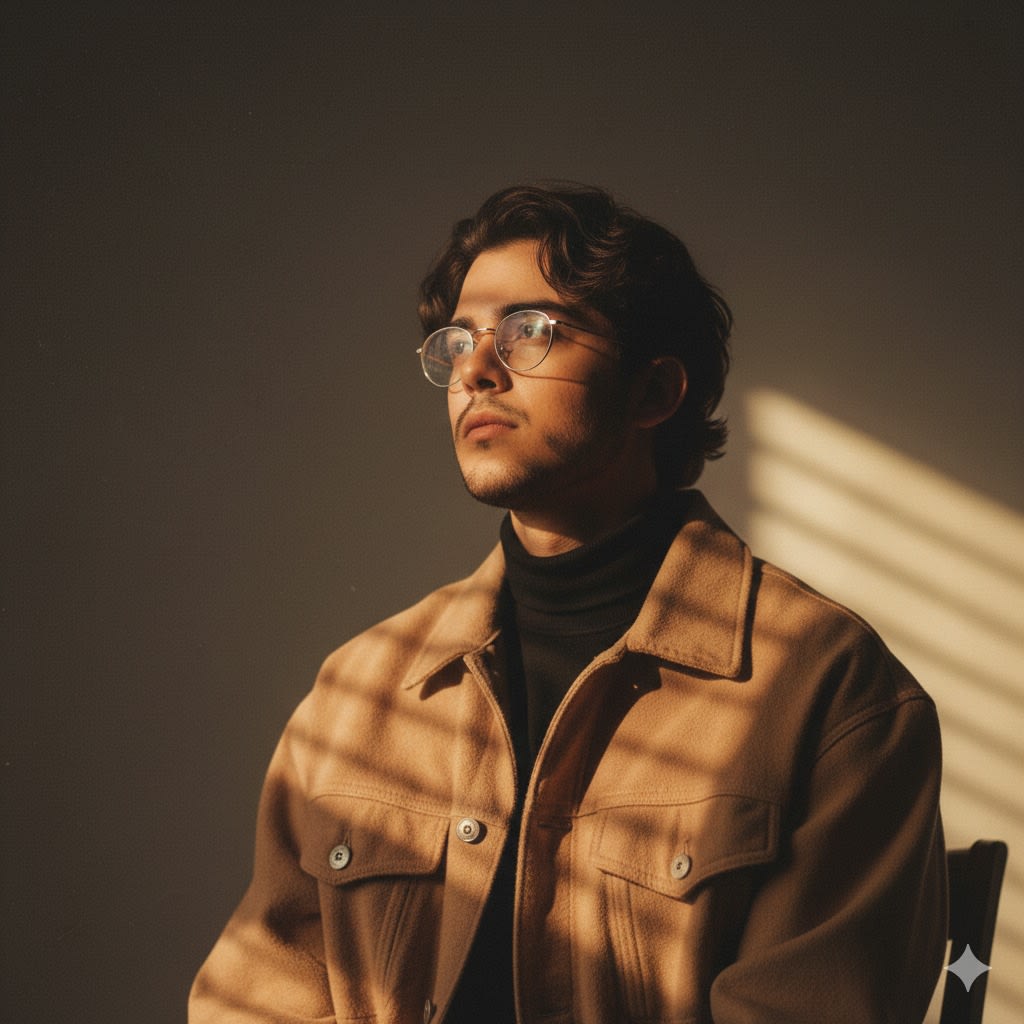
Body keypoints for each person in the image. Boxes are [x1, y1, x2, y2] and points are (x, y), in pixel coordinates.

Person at [189, 184, 947, 1023]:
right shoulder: (359, 693)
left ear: (654, 393)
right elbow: (259, 996)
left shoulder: (829, 691)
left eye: (527, 330)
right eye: (459, 341)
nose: (475, 369)